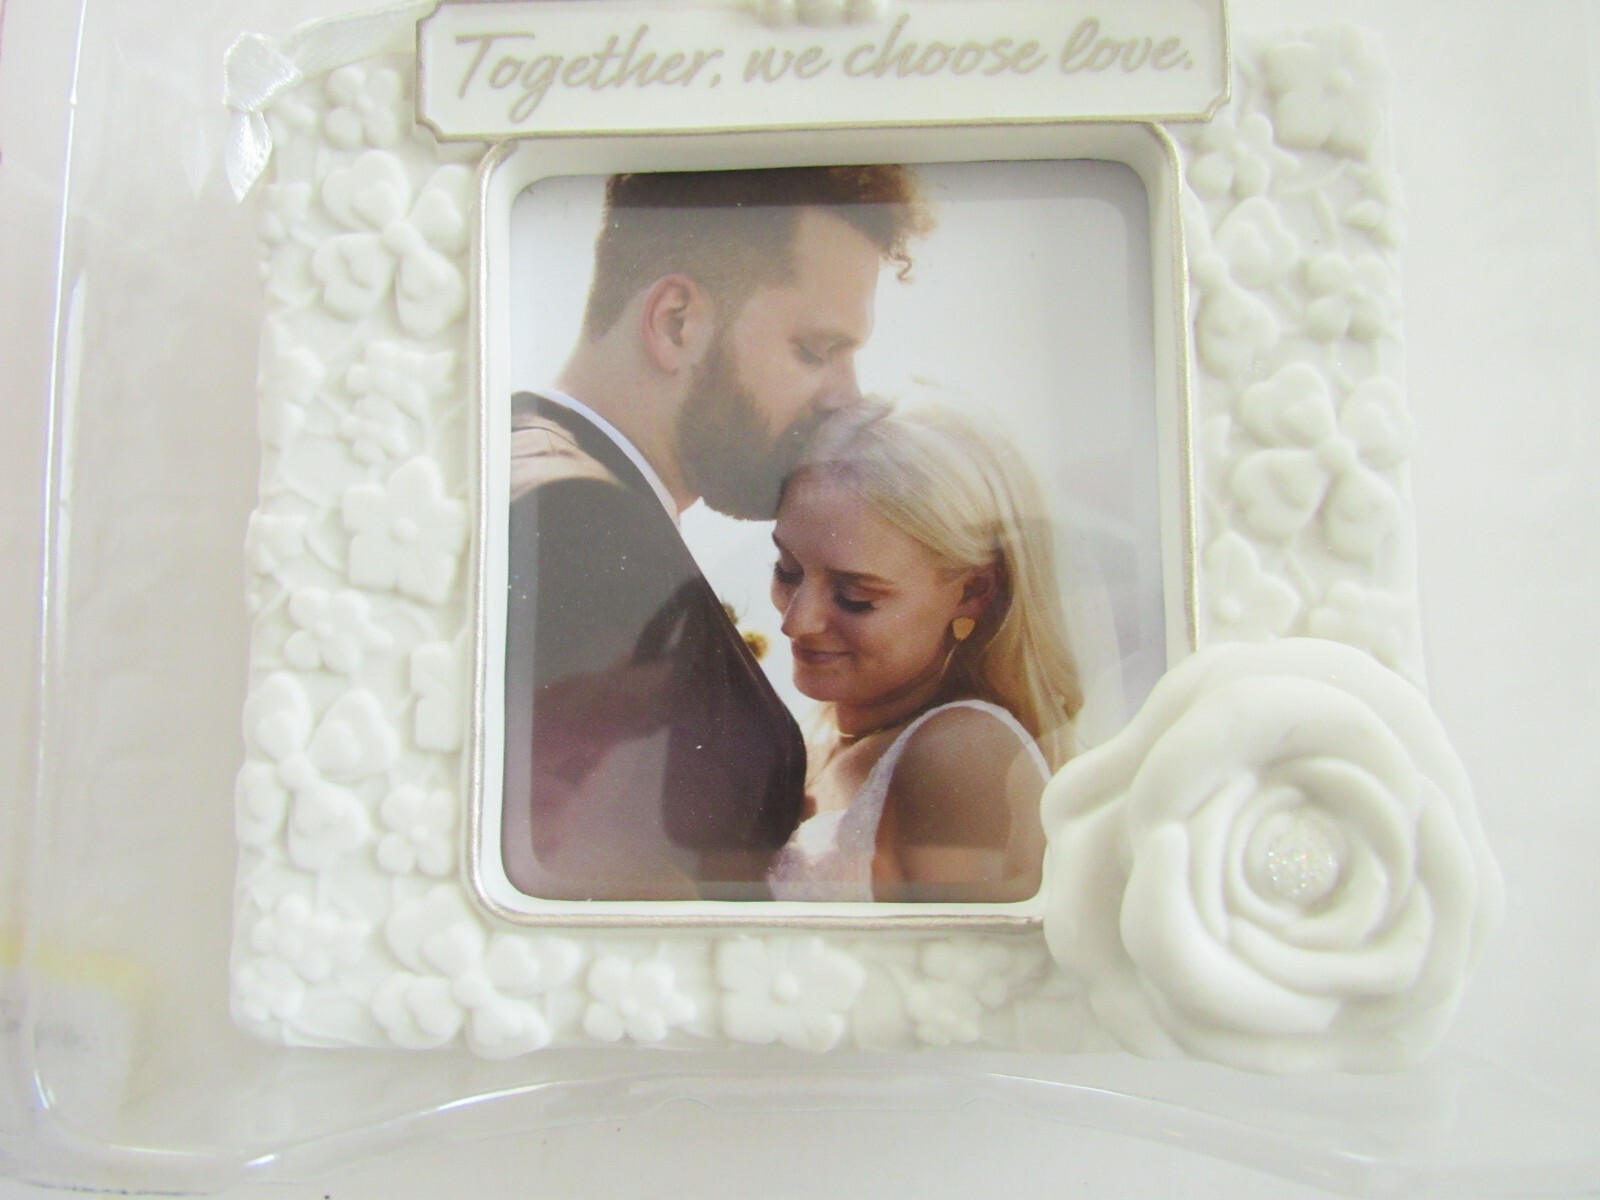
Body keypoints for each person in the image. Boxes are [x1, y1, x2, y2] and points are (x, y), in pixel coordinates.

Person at [501, 166, 932, 902]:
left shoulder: (549, 479)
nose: (847, 396)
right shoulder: (580, 519)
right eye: (815, 350)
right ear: (678, 323)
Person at [766, 401, 1082, 903]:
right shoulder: (823, 742)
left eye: (855, 596)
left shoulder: (961, 752)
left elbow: (955, 954)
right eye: (787, 570)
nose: (795, 622)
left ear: (972, 592)